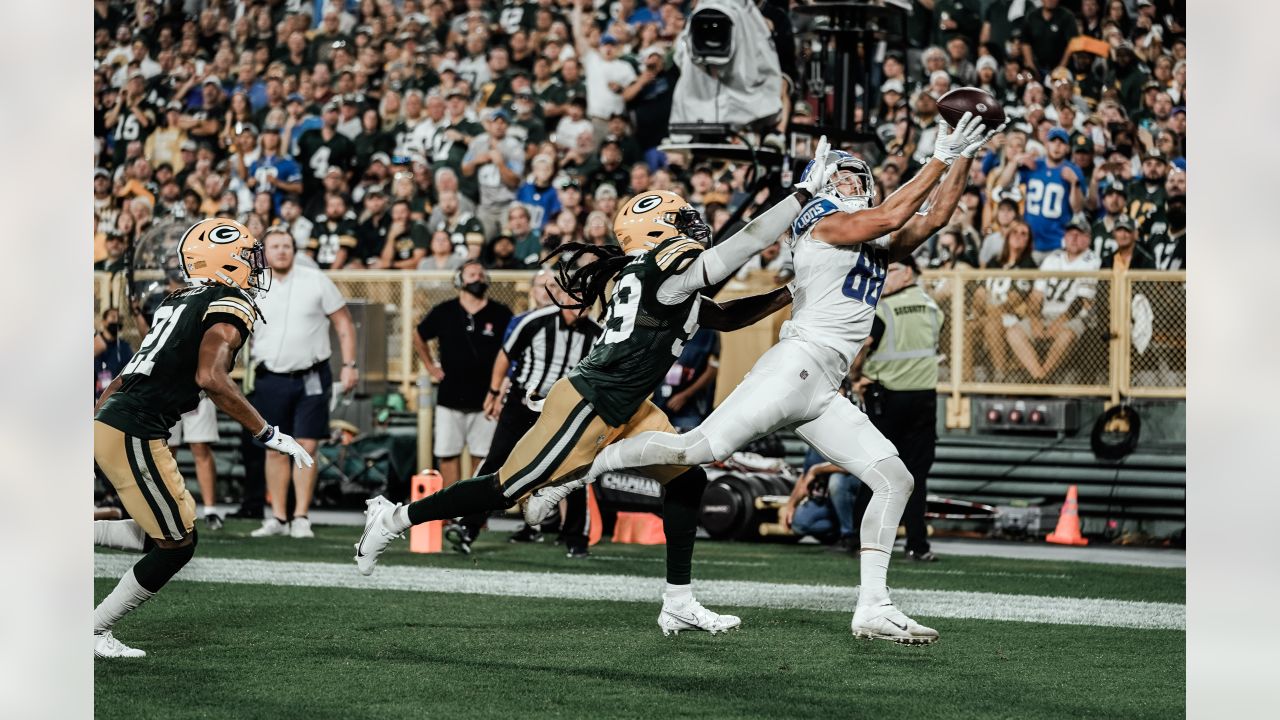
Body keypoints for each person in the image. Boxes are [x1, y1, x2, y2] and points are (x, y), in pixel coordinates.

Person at [354, 137, 840, 636]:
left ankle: (677, 601)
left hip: (632, 406)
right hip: (593, 401)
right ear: (655, 231)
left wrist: (791, 291)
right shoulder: (662, 270)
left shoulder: (661, 279)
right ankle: (394, 517)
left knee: (688, 477)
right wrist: (801, 195)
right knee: (504, 491)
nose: (694, 228)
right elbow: (748, 241)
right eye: (681, 222)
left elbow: (727, 315)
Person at [552, 117, 998, 645]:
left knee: (894, 478)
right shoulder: (821, 220)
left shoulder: (874, 238)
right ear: (825, 188)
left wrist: (967, 151)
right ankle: (583, 467)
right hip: (796, 366)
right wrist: (940, 154)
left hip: (824, 385)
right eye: (841, 177)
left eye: (857, 177)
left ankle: (874, 606)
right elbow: (896, 213)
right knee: (697, 449)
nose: (850, 181)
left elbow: (934, 215)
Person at [93, 219, 312, 658]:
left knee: (169, 531)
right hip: (136, 427)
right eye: (249, 258)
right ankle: (93, 630)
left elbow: (125, 375)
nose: (256, 268)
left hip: (119, 421)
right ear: (224, 260)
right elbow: (210, 377)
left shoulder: (180, 298)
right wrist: (266, 432)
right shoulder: (230, 299)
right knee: (177, 546)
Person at [447, 271, 604, 556]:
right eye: (574, 299)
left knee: (575, 469)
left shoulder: (596, 334)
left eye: (585, 303)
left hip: (564, 410)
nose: (578, 308)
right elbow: (506, 355)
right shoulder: (535, 322)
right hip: (522, 402)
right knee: (496, 462)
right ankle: (467, 527)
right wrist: (494, 393)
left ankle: (576, 539)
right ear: (563, 298)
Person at [248, 227, 359, 539]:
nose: (282, 251)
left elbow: (343, 322)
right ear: (264, 251)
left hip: (312, 375)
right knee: (273, 448)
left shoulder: (316, 280)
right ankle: (278, 517)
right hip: (270, 376)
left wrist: (350, 365)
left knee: (307, 445)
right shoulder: (254, 286)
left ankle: (301, 516)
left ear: (295, 249)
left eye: (287, 245)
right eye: (275, 246)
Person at [848, 255, 944, 562]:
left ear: (910, 273)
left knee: (875, 467)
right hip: (925, 398)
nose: (886, 277)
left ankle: (857, 539)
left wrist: (854, 376)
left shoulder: (884, 308)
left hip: (887, 399)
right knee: (917, 475)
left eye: (893, 270)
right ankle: (918, 544)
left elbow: (863, 346)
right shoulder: (933, 308)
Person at [413, 260, 514, 488]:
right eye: (471, 274)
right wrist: (430, 366)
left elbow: (512, 351)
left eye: (480, 274)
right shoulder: (444, 311)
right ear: (460, 280)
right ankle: (451, 513)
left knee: (484, 456)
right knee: (448, 454)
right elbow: (418, 335)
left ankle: (473, 516)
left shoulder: (501, 313)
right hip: (450, 397)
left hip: (487, 398)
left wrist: (501, 389)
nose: (477, 278)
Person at [1007, 216, 1102, 380]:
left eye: (1079, 234)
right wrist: (1035, 321)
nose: (1073, 237)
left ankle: (1041, 377)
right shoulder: (1053, 258)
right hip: (1045, 316)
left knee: (1066, 335)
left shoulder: (1092, 260)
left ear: (1087, 239)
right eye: (1070, 233)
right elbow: (1036, 296)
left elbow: (1082, 302)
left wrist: (1058, 324)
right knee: (1014, 332)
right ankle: (1040, 377)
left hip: (1074, 318)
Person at [996, 127, 1084, 261]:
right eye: (1053, 141)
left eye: (1062, 142)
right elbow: (1002, 184)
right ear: (1046, 144)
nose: (1057, 146)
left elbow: (1077, 208)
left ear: (1067, 148)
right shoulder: (1034, 165)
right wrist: (1015, 161)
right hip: (1029, 241)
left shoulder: (1073, 171)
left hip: (1057, 243)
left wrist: (1074, 183)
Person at [94, 307, 134, 401]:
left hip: (115, 400)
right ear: (103, 322)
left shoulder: (125, 347)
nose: (116, 321)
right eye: (113, 317)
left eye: (119, 318)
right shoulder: (94, 343)